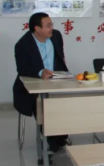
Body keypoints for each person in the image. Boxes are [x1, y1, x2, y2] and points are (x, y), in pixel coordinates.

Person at [13, 12, 69, 152]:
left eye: (52, 25)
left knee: (66, 103)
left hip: (56, 82)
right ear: (37, 28)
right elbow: (22, 69)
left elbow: (60, 57)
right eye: (48, 26)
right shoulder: (23, 44)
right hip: (32, 86)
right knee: (44, 108)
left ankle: (61, 137)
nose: (52, 28)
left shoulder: (56, 36)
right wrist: (40, 72)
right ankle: (52, 143)